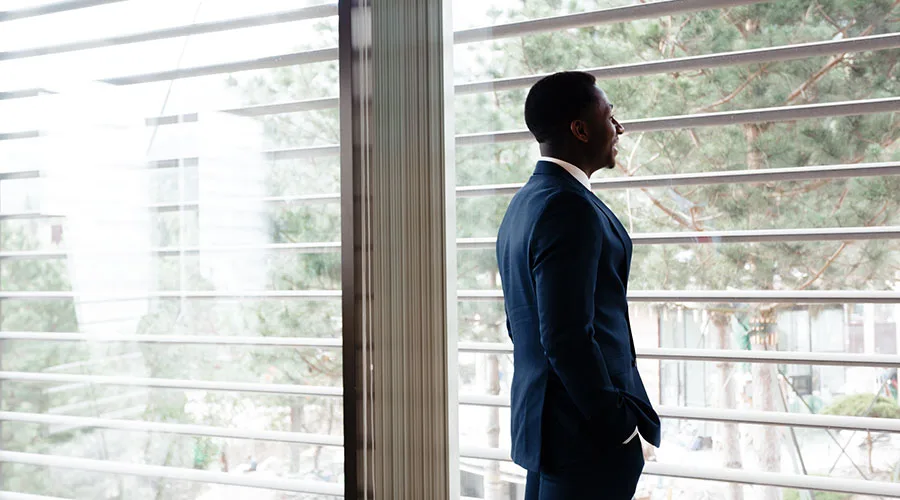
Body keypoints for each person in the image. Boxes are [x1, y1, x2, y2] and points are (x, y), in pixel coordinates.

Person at [496, 71, 661, 499]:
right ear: (580, 128)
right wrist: (619, 426)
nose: (619, 128)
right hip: (584, 441)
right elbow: (566, 337)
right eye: (610, 116)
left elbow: (523, 324)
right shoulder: (569, 207)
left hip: (549, 433)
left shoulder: (525, 203)